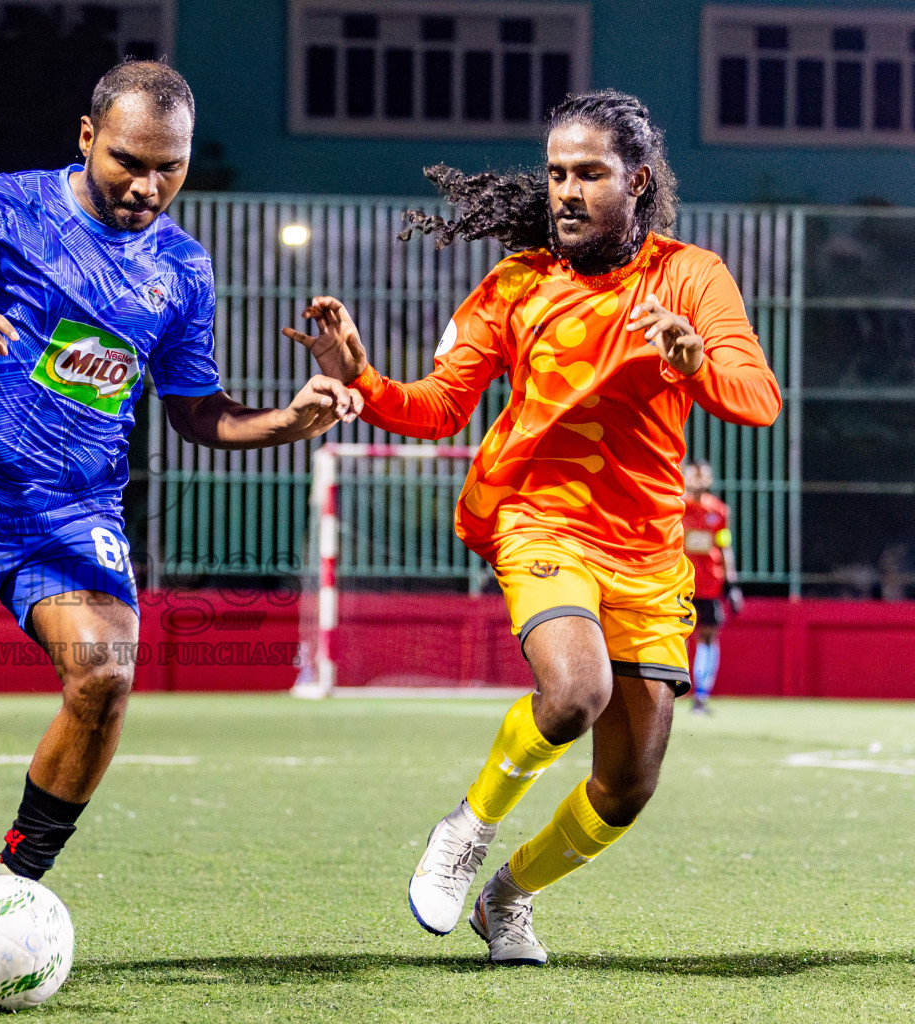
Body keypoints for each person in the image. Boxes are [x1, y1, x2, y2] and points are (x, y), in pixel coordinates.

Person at [0, 59, 363, 976]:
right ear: (87, 136)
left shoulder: (181, 268)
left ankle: (14, 888)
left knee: (105, 674)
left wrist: (289, 420)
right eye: (130, 161)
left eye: (169, 168)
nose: (148, 185)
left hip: (72, 512)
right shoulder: (4, 207)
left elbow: (196, 412)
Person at [283, 90, 780, 965]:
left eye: (589, 173)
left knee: (625, 788)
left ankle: (507, 898)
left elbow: (759, 400)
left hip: (649, 551)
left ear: (639, 181)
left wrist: (695, 361)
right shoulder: (513, 286)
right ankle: (465, 828)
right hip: (540, 518)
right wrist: (361, 380)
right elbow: (440, 408)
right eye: (556, 173)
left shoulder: (693, 278)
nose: (566, 190)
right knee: (574, 693)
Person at [682, 460, 742, 714]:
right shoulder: (676, 508)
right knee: (675, 636)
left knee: (707, 637)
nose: (700, 480)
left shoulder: (718, 511)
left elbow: (724, 543)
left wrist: (732, 582)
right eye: (695, 475)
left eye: (704, 476)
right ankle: (669, 693)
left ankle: (701, 696)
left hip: (709, 585)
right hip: (680, 583)